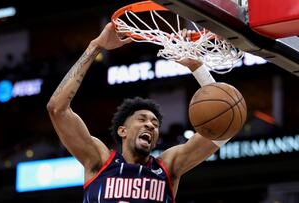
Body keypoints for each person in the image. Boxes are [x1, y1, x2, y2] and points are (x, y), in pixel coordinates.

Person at [47, 22, 230, 202]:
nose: (150, 125)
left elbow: (226, 124)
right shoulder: (100, 161)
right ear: (122, 131)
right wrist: (95, 47)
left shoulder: (168, 167)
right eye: (142, 119)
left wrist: (196, 67)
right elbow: (57, 109)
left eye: (155, 124)